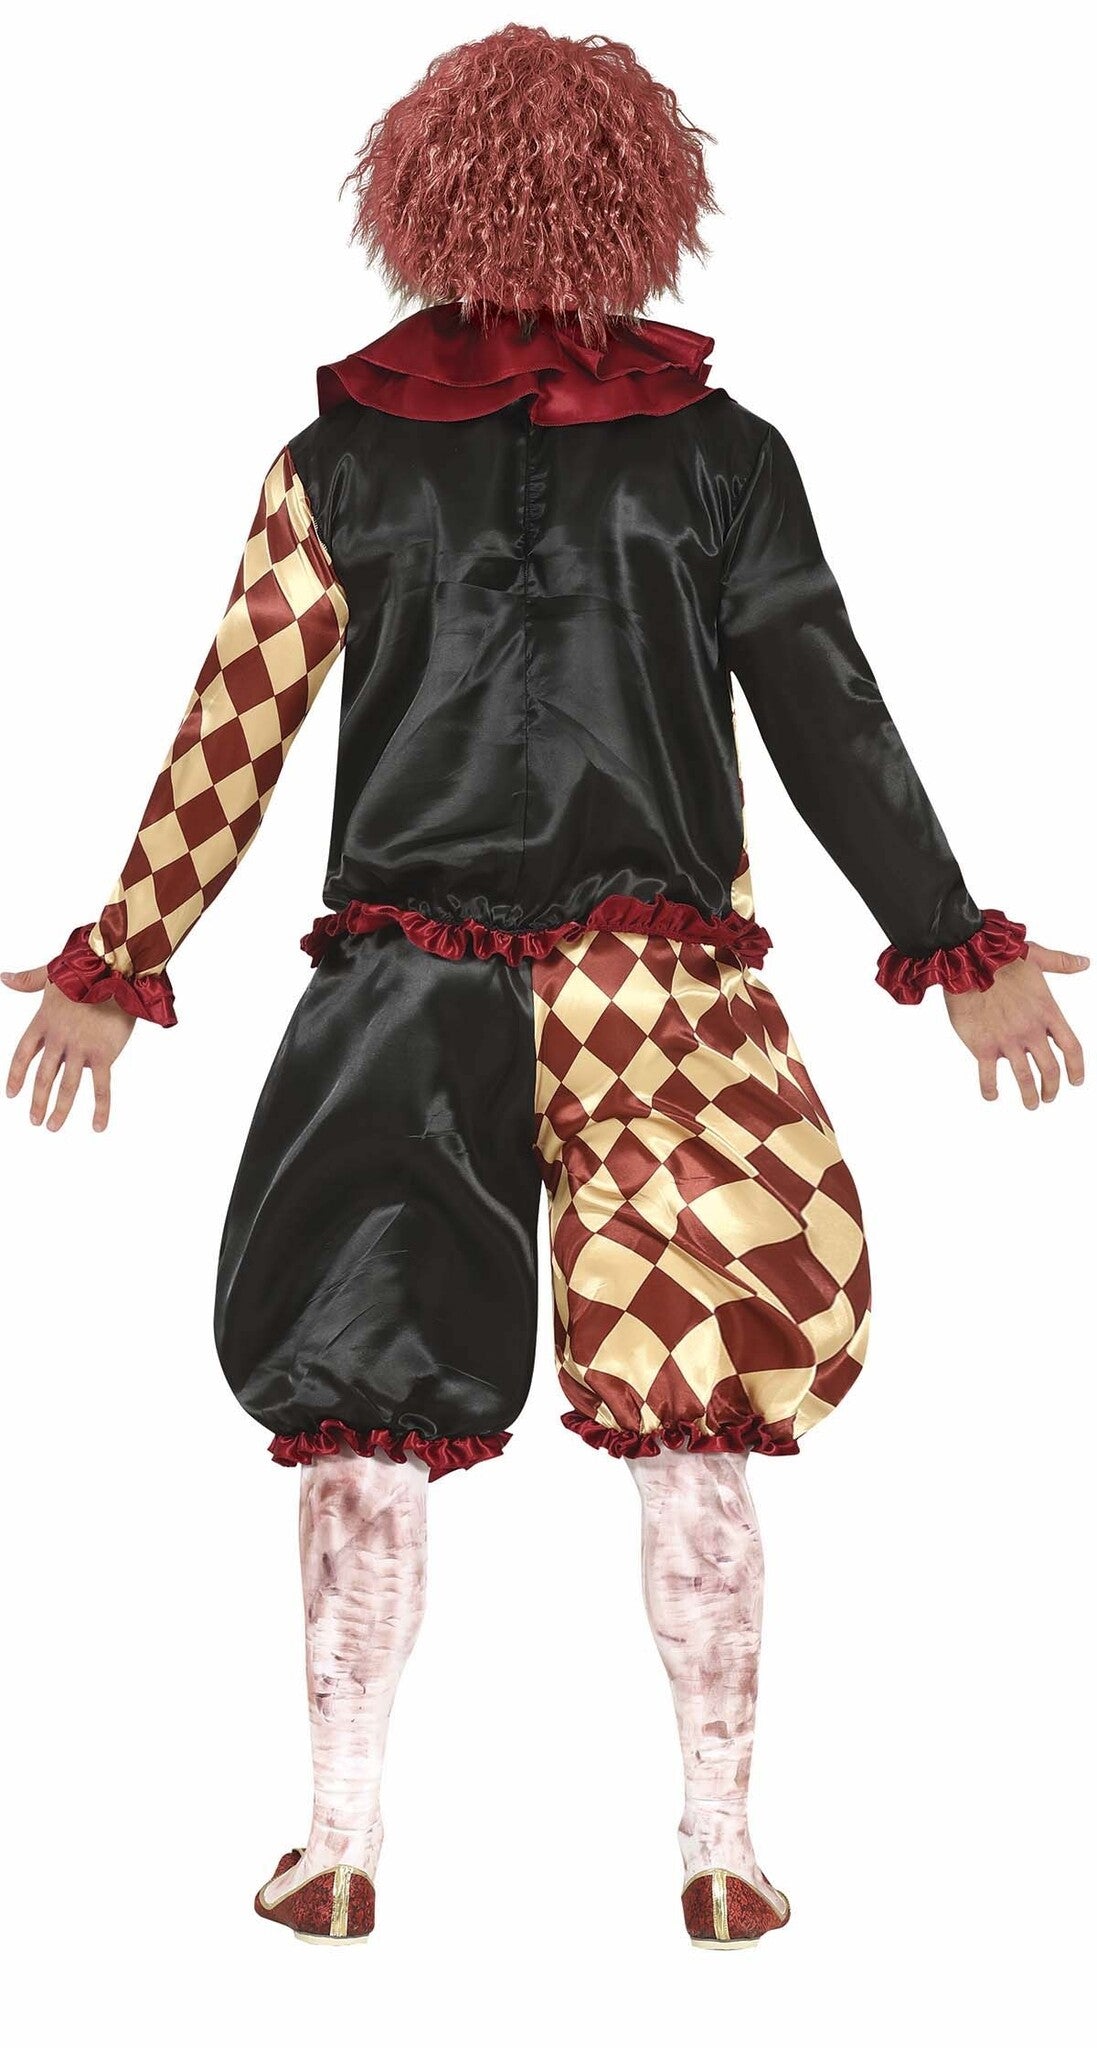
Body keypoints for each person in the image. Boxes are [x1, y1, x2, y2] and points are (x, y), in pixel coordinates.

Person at [3, 25, 1087, 1950]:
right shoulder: (721, 458)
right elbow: (824, 709)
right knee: (696, 1402)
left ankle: (338, 1840)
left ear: (417, 202)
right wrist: (952, 943)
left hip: (403, 989)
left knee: (362, 1399)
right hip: (657, 997)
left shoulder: (341, 461)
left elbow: (233, 729)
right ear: (646, 205)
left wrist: (125, 953)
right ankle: (719, 1847)